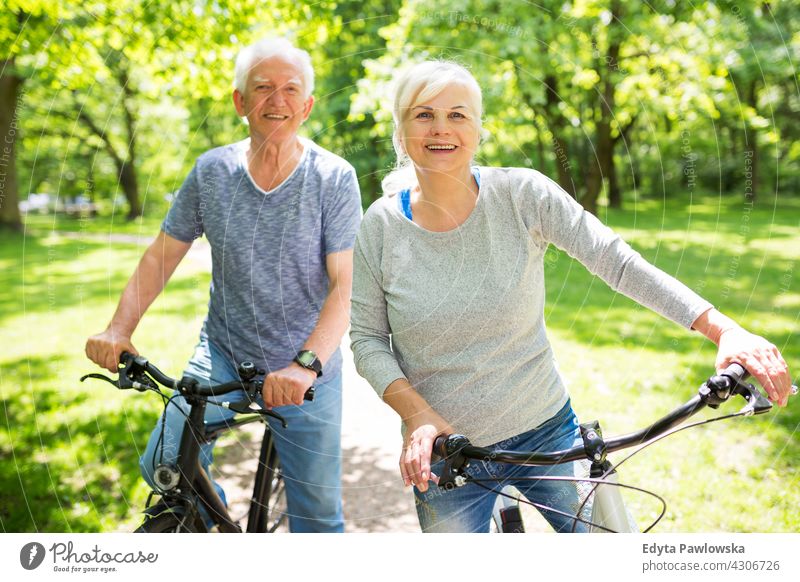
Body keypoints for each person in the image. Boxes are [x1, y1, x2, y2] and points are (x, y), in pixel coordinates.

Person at [349, 61, 793, 533]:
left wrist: (722, 328)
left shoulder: (522, 194)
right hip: (445, 451)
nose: (441, 128)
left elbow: (615, 260)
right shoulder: (380, 227)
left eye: (457, 115)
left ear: (478, 130)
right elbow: (367, 338)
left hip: (547, 430)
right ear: (401, 131)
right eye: (423, 115)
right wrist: (419, 418)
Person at [85, 37, 362, 533]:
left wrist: (304, 366)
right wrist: (117, 329)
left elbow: (346, 286)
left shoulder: (333, 177)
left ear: (307, 105)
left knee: (318, 521)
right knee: (165, 470)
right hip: (223, 352)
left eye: (290, 90)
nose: (276, 101)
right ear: (240, 101)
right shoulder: (212, 172)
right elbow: (161, 258)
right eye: (262, 88)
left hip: (307, 369)